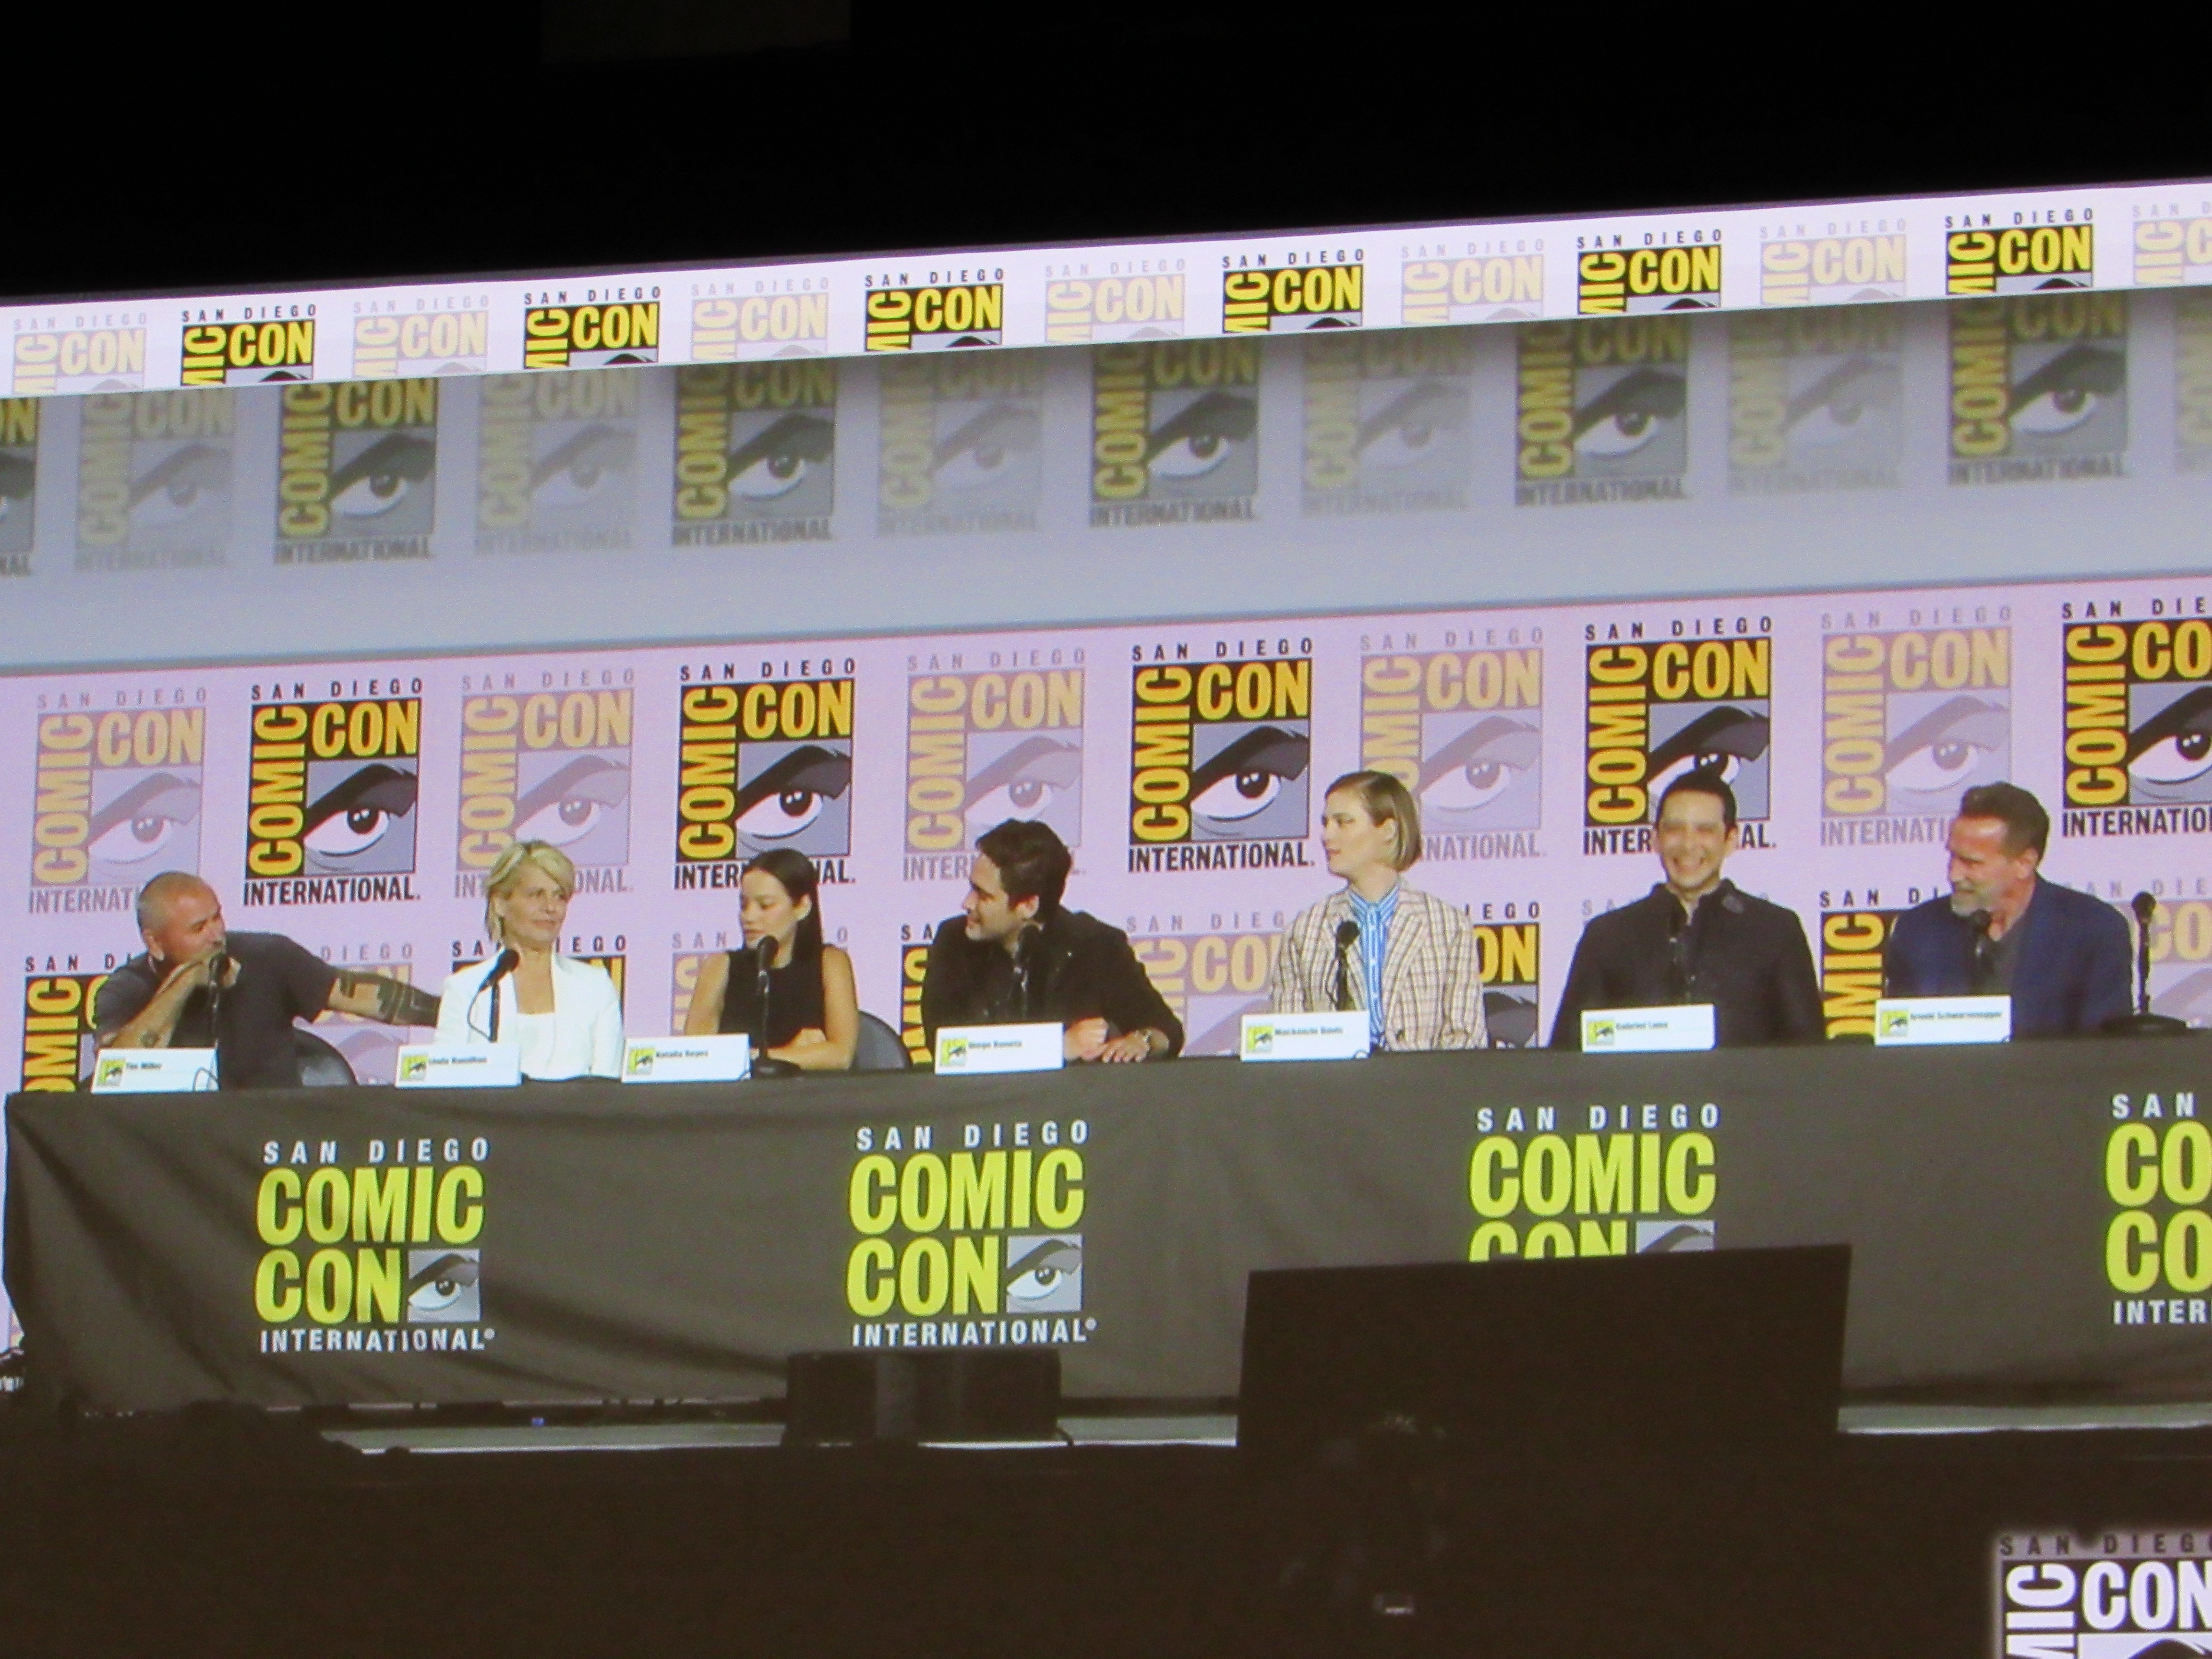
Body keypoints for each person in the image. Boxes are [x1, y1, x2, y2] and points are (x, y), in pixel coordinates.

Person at [95, 870, 442, 1088]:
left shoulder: (266, 955)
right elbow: (119, 1073)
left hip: (272, 1132)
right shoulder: (126, 988)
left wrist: (451, 1013)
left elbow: (357, 995)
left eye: (217, 918)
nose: (216, 935)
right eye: (198, 929)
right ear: (155, 943)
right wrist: (184, 983)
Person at [1551, 769, 1821, 1048]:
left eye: (1705, 830)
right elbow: (1567, 1058)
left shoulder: (1776, 931)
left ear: (1731, 840)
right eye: (1674, 829)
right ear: (1656, 838)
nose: (1688, 844)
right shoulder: (1607, 936)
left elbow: (1808, 1057)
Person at [921, 818, 1182, 1062]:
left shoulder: (1096, 945)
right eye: (972, 888)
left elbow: (1165, 1030)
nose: (967, 903)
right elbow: (949, 1050)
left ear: (1028, 906)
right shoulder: (954, 941)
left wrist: (1143, 1040)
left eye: (983, 895)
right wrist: (1057, 1047)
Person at [1883, 781, 2130, 1036]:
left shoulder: (2094, 930)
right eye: (1953, 857)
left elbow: (2104, 1051)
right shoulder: (1918, 930)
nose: (1954, 875)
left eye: (1972, 863)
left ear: (2024, 863)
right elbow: (1899, 1040)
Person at [1272, 770, 1487, 1050]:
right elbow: (1286, 1044)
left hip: (1426, 1078)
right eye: (1325, 823)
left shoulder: (1447, 925)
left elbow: (1466, 1039)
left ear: (1388, 830)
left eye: (1343, 822)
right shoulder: (1305, 930)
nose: (1326, 836)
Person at [435, 839, 623, 1078]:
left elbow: (608, 1084)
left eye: (559, 897)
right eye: (536, 895)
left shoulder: (595, 986)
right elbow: (442, 1082)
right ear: (500, 904)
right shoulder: (468, 988)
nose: (551, 908)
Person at [683, 848, 859, 1070]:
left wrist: (749, 1058)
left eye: (765, 906)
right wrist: (789, 1054)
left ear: (802, 907)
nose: (749, 917)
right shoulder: (720, 966)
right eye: (744, 905)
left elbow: (840, 1055)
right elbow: (696, 1057)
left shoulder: (830, 962)